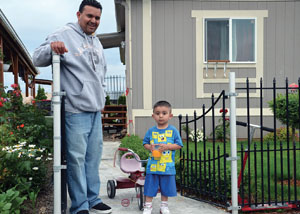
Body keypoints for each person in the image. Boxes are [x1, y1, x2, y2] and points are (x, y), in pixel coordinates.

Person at [32, 1, 111, 213]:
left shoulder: (96, 42)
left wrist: (101, 98)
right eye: (90, 16)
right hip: (76, 109)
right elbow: (36, 58)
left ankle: (93, 199)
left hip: (95, 109)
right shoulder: (63, 33)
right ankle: (80, 206)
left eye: (97, 18)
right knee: (76, 160)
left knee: (93, 159)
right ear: (79, 14)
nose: (94, 21)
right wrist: (51, 48)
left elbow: (101, 74)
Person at [142, 101, 183, 214]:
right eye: (157, 113)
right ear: (153, 116)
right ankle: (148, 206)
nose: (160, 116)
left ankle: (164, 206)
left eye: (164, 113)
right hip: (153, 166)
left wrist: (168, 147)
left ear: (170, 116)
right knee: (150, 187)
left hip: (167, 166)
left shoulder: (173, 130)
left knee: (165, 187)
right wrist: (149, 147)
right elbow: (144, 143)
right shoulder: (151, 131)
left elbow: (179, 145)